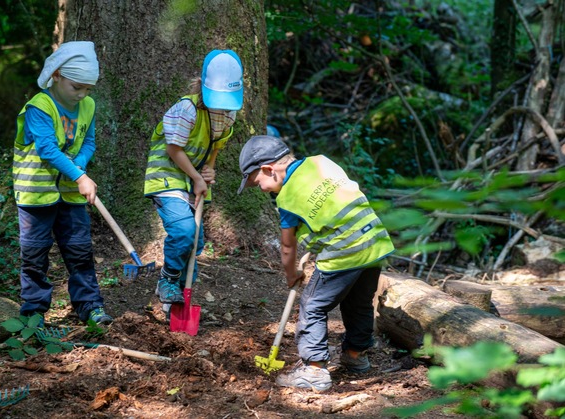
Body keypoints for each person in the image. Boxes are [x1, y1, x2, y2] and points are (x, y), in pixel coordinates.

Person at [237, 135, 395, 392]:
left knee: (313, 305)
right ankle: (356, 356)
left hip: (344, 252)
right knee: (358, 303)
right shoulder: (322, 162)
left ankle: (314, 371)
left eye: (258, 183)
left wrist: (291, 274)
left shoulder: (287, 199)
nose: (262, 189)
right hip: (374, 242)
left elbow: (288, 247)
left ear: (269, 170)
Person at [12, 41, 112, 327]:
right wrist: (81, 176)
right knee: (34, 255)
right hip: (36, 195)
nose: (81, 95)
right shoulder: (39, 106)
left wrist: (79, 164)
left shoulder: (87, 106)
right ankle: (33, 314)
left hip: (70, 195)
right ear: (56, 75)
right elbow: (46, 148)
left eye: (88, 89)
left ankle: (90, 306)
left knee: (80, 251)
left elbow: (89, 142)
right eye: (76, 87)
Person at [144, 49, 244, 320]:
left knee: (196, 242)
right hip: (166, 176)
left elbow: (214, 149)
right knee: (185, 230)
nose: (222, 106)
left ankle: (173, 299)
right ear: (203, 86)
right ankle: (166, 279)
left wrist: (209, 170)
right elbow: (174, 149)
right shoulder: (185, 109)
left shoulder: (228, 115)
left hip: (194, 179)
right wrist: (198, 177)